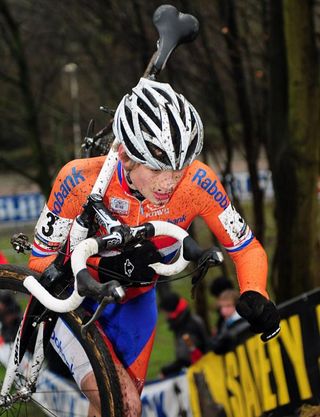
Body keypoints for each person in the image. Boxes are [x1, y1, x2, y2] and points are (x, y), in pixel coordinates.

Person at [28, 77, 280, 417]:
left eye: (179, 167)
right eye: (158, 168)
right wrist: (102, 269)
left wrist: (255, 292)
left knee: (112, 412)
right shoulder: (78, 180)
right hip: (76, 300)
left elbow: (246, 247)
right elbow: (38, 263)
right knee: (125, 405)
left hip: (136, 305)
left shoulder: (197, 183)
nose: (169, 182)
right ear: (126, 156)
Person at [159, 292, 208, 377]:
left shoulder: (187, 327)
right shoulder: (187, 320)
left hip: (200, 373)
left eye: (165, 313)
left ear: (171, 311)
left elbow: (186, 358)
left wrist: (165, 371)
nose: (165, 317)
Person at [208, 289, 245, 354]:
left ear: (236, 305)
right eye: (222, 307)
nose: (224, 310)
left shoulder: (244, 321)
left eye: (228, 306)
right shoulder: (225, 323)